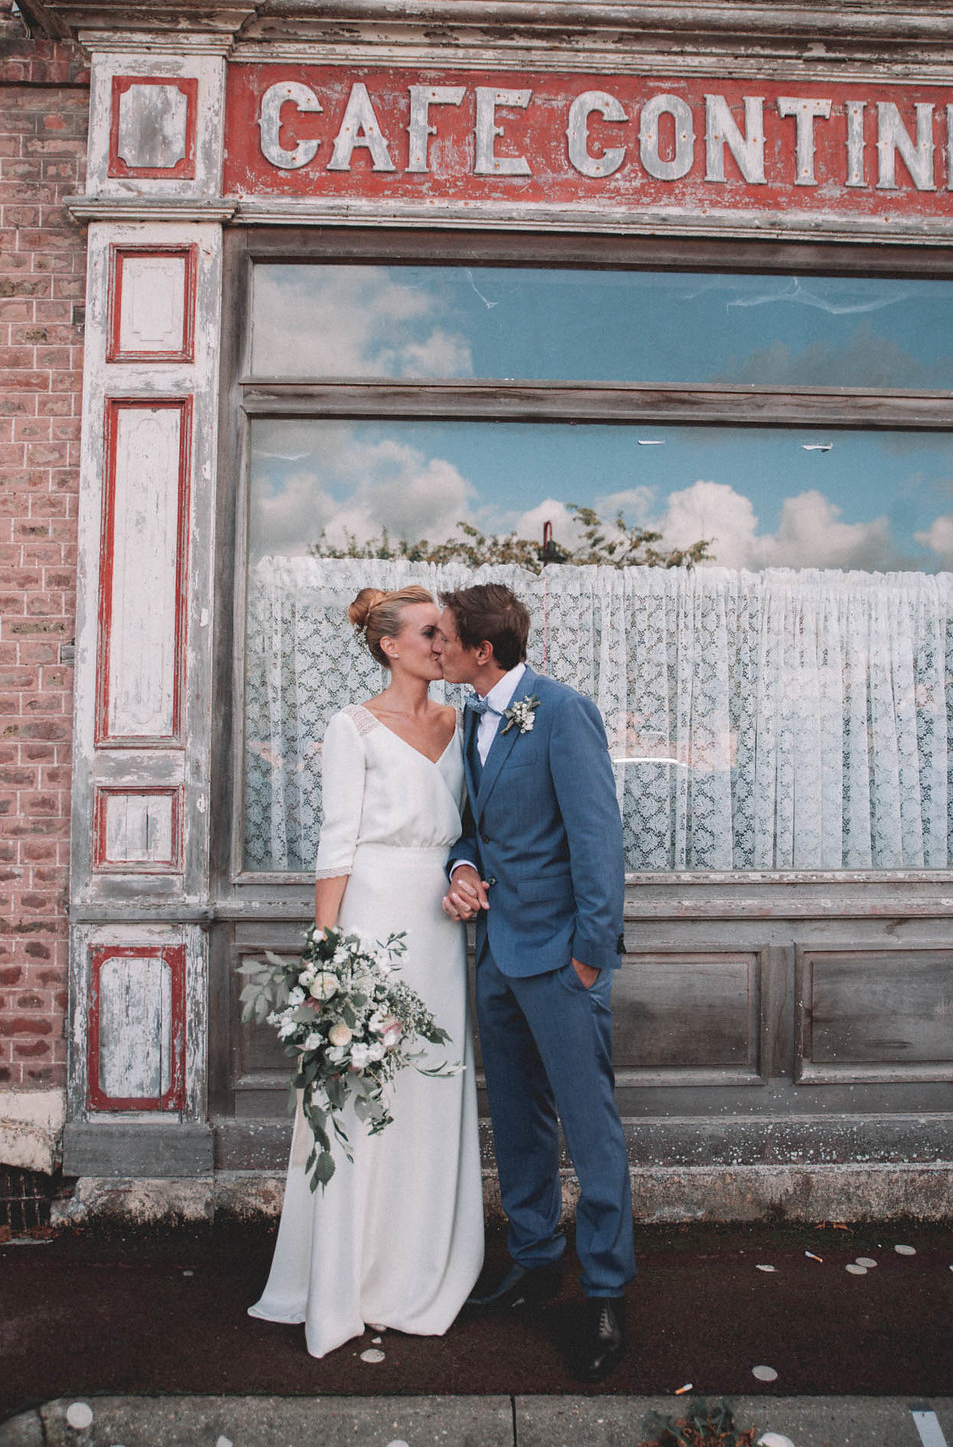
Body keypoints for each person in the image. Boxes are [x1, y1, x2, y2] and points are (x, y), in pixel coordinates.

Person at [249, 585, 484, 1358]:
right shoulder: (351, 726)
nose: (443, 645)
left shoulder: (464, 722)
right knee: (360, 1091)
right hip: (372, 919)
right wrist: (325, 955)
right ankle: (347, 1279)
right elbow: (336, 844)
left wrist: (466, 874)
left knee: (429, 1084)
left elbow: (476, 829)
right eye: (429, 633)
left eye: (446, 634)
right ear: (390, 645)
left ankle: (417, 1270)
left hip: (441, 929)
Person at [435, 582, 635, 1383]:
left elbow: (598, 837)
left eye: (446, 636)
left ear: (482, 650)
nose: (437, 646)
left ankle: (607, 1290)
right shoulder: (477, 719)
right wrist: (461, 864)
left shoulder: (560, 710)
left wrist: (589, 956)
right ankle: (533, 1256)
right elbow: (477, 829)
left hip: (559, 960)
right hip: (496, 957)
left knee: (591, 1130)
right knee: (517, 1119)